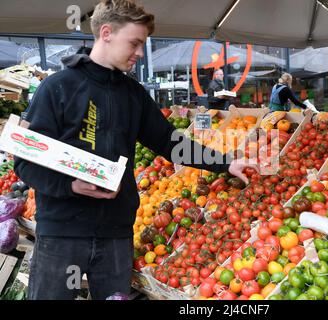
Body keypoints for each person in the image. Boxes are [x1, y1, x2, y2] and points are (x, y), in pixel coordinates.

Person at [14, 0, 253, 300]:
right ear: (106, 33)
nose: (140, 53)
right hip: (63, 234)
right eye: (135, 43)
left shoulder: (133, 95)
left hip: (116, 236)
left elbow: (169, 142)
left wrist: (225, 164)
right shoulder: (58, 88)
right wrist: (70, 184)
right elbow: (25, 161)